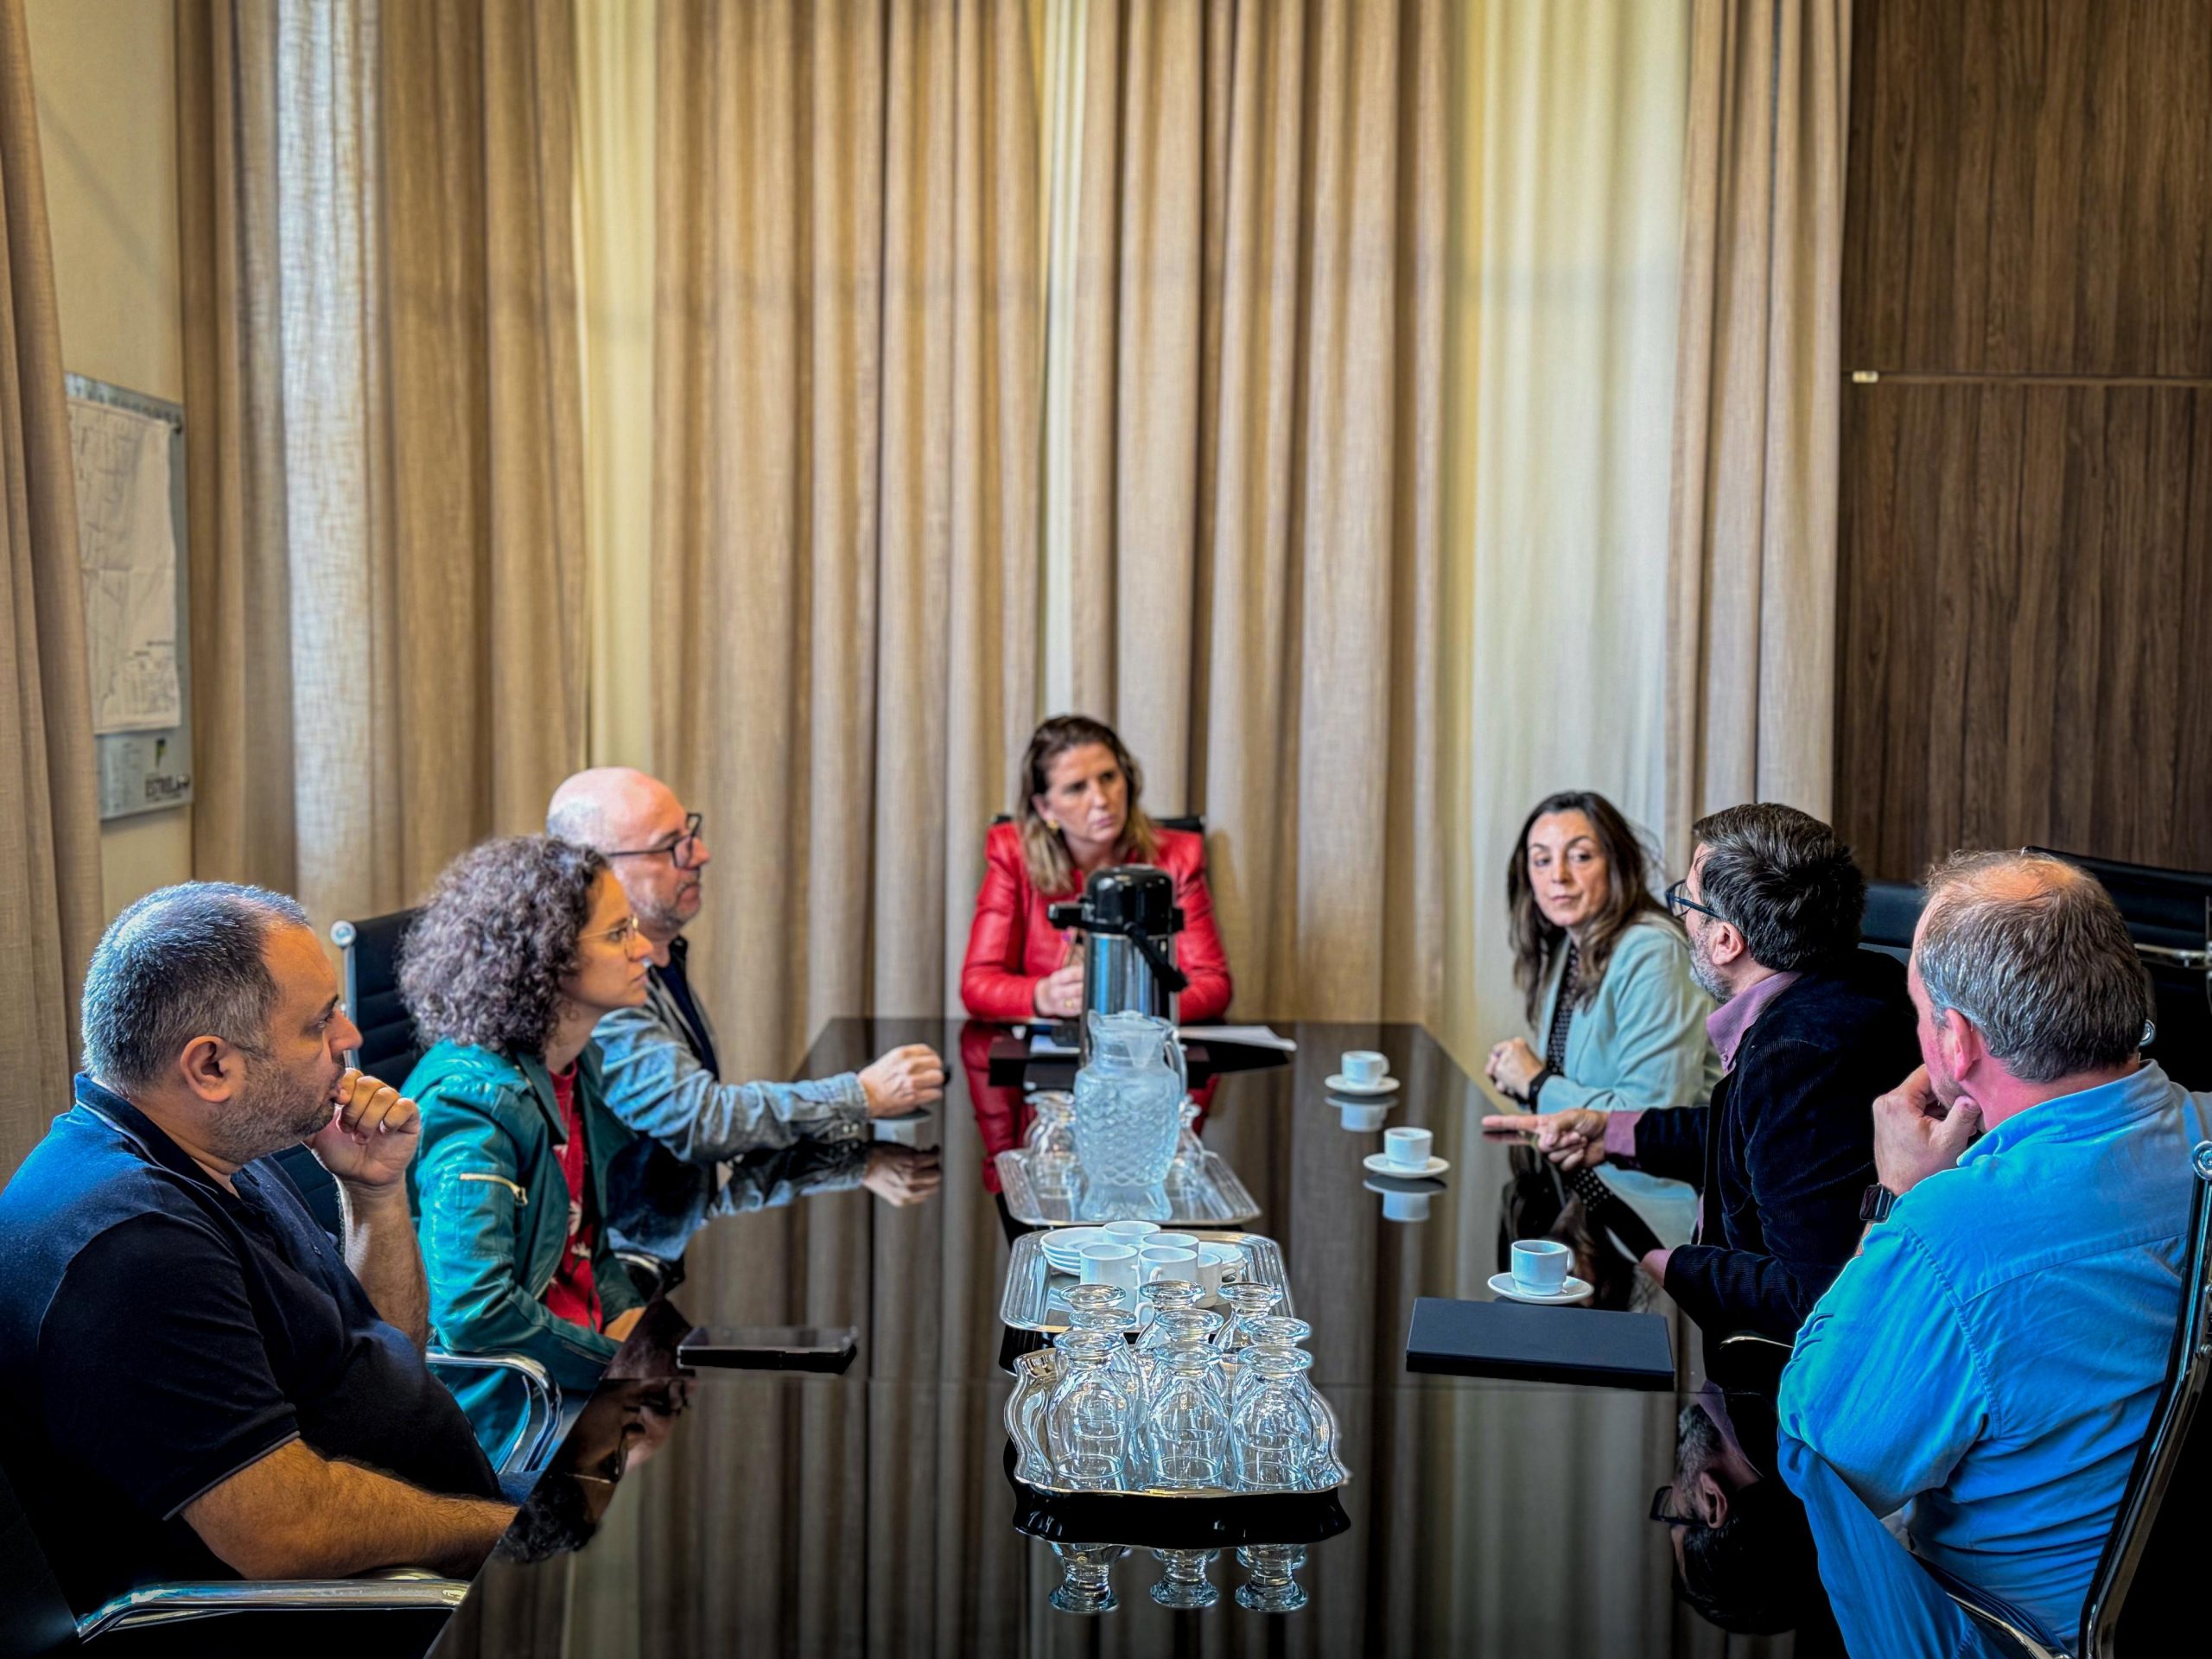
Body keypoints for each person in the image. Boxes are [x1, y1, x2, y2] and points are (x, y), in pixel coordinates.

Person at [0, 885, 512, 1615]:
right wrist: (510, 1532)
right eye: (319, 1022)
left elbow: (381, 1357)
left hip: (417, 1557)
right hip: (342, 1612)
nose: (350, 1037)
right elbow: (286, 1534)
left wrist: (373, 1192)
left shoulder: (215, 1150)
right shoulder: (134, 1248)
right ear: (211, 1067)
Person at [1776, 852, 2208, 1657]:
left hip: (2008, 1637)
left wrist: (1897, 1198)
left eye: (1920, 1011)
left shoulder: (1952, 1235)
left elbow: (1826, 1449)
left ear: (1957, 1040)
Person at [1484, 803, 1919, 1348]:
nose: (1680, 917)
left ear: (1726, 941)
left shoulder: (1798, 1056)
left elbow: (1806, 1296)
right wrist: (1611, 1133)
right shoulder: (1857, 982)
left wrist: (1668, 1264)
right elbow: (1752, 1134)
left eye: (1686, 902)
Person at [545, 767, 945, 1165]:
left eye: (690, 833)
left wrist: (851, 1165)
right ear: (598, 871)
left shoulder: (664, 952)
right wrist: (863, 1096)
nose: (700, 854)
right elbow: (701, 1121)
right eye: (671, 846)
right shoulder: (598, 986)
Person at [399, 836, 652, 1457]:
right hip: (515, 1415)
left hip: (574, 1370)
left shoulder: (571, 1066)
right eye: (619, 934)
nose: (644, 947)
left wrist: (633, 1327)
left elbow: (587, 1243)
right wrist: (615, 1363)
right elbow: (474, 1312)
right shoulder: (471, 1102)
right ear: (549, 958)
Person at [1484, 790, 1718, 1252]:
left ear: (1616, 862)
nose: (1559, 876)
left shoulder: (1653, 951)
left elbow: (1649, 1118)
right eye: (1542, 860)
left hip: (1648, 1203)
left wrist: (1536, 1083)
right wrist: (1524, 1081)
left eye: (1580, 856)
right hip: (1581, 1183)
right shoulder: (1571, 945)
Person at [962, 714, 1231, 1022]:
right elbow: (978, 984)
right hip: (1048, 1046)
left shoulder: (1178, 857)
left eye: (1108, 778)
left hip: (1142, 1041)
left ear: (1128, 780)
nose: (1101, 800)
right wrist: (1041, 995)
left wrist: (1123, 1007)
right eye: (1077, 788)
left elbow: (1213, 984)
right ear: (1045, 808)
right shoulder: (1013, 854)